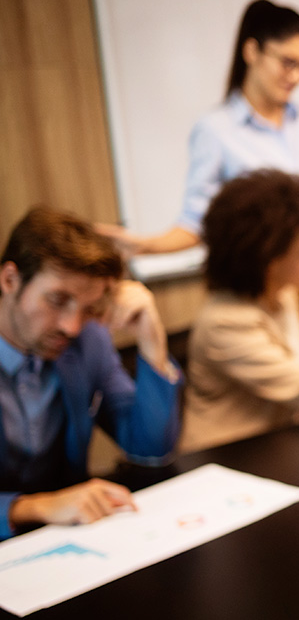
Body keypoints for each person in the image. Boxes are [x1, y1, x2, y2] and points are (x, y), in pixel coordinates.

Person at [99, 0, 299, 357]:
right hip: (259, 289)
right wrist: (143, 245)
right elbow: (197, 222)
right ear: (252, 51)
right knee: (292, 390)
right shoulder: (216, 131)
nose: (295, 76)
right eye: (287, 62)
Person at [0, 208, 181, 540]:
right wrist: (33, 507)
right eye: (58, 300)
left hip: (70, 539)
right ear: (10, 280)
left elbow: (149, 447)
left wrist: (151, 340)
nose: (71, 326)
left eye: (87, 308)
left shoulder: (89, 339)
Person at [180, 170, 299, 452]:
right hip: (228, 459)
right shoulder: (224, 323)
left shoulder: (284, 294)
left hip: (279, 447)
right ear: (267, 261)